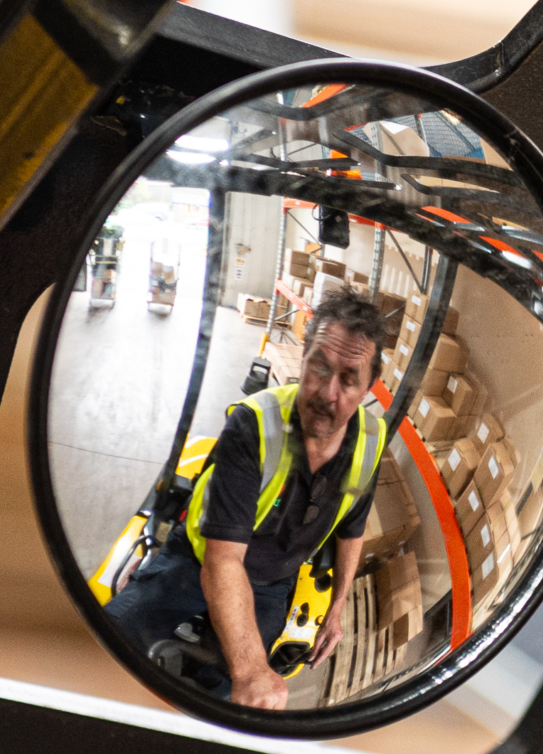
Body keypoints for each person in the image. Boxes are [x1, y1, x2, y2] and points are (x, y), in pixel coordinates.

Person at [105, 289, 396, 709]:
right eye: (319, 367)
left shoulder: (371, 442)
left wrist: (337, 607)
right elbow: (222, 561)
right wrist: (251, 670)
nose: (328, 392)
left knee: (223, 699)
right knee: (112, 635)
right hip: (198, 559)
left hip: (271, 584)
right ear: (303, 360)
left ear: (370, 386)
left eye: (349, 379)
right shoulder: (255, 424)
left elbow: (352, 528)